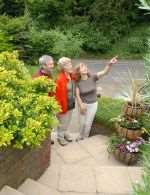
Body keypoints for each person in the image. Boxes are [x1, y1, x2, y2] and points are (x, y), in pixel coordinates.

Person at [75, 56, 118, 141]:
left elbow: (104, 72)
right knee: (82, 123)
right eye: (82, 68)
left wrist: (110, 64)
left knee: (88, 124)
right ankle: (80, 136)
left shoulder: (93, 77)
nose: (84, 69)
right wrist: (81, 106)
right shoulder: (77, 82)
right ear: (79, 71)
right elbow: (77, 95)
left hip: (93, 104)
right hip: (83, 105)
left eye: (85, 67)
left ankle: (85, 138)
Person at [33, 55, 55, 144]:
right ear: (43, 66)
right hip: (42, 107)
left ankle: (48, 138)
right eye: (50, 64)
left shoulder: (49, 73)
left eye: (53, 63)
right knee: (44, 124)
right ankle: (44, 140)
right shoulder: (37, 78)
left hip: (50, 104)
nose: (53, 66)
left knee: (50, 124)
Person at [55, 57, 76, 146]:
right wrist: (61, 109)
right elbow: (58, 97)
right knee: (62, 124)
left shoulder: (70, 75)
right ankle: (60, 138)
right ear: (63, 67)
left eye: (70, 63)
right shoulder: (60, 79)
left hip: (70, 104)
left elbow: (79, 74)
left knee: (67, 122)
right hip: (63, 106)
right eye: (68, 64)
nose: (71, 66)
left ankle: (65, 133)